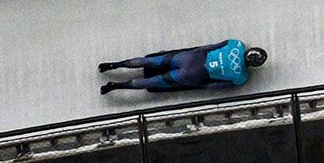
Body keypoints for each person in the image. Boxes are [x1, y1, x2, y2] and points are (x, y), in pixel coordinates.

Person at [98, 39, 268, 94]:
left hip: (189, 58)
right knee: (153, 82)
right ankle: (116, 86)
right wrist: (198, 85)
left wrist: (194, 51)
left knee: (150, 61)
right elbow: (214, 86)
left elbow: (212, 46)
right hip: (194, 75)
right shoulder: (241, 78)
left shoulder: (236, 44)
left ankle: (115, 65)